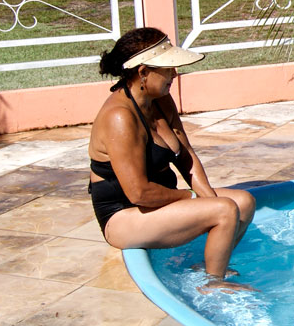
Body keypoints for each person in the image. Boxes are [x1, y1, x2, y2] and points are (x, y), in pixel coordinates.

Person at [88, 27, 256, 290]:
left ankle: (209, 266)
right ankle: (213, 286)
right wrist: (192, 198)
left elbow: (186, 157)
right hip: (123, 215)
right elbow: (138, 193)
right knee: (224, 210)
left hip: (157, 201)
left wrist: (207, 198)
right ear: (143, 72)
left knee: (243, 202)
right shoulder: (119, 117)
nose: (175, 75)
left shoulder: (161, 101)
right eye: (168, 69)